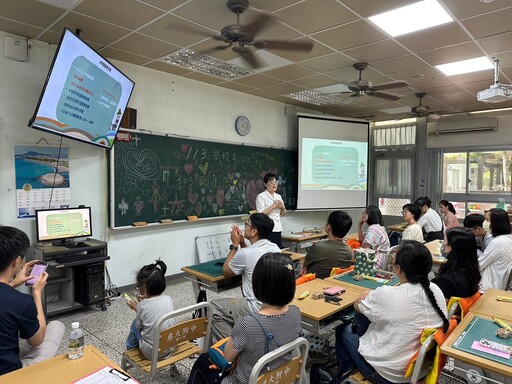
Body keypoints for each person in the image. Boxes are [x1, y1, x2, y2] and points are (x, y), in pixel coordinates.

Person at [335, 241, 449, 384]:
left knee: (343, 330)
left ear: (397, 269)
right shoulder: (436, 290)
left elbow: (357, 306)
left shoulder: (386, 294)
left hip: (388, 376)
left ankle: (345, 372)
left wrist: (366, 297)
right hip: (421, 369)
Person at [188, 252, 303, 384]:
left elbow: (228, 357)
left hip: (245, 381)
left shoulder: (247, 324)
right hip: (280, 377)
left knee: (203, 360)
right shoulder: (295, 313)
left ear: (258, 285)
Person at [0, 226, 65, 375]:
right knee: (56, 326)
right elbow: (37, 341)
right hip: (7, 375)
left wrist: (13, 283)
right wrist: (36, 293)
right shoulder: (21, 302)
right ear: (16, 262)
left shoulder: (12, 298)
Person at [210, 213, 281, 342]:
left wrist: (235, 245)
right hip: (274, 303)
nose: (244, 228)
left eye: (246, 225)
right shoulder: (274, 248)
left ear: (254, 231)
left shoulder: (245, 253)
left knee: (212, 307)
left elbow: (226, 271)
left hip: (255, 305)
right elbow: (251, 257)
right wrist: (243, 243)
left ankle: (235, 346)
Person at [125, 260, 175, 359]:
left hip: (152, 352)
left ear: (143, 287)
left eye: (138, 286)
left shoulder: (142, 305)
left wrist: (136, 307)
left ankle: (130, 350)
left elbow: (139, 325)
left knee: (134, 324)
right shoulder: (168, 299)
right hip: (170, 346)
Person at [432, 227, 481, 299]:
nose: (442, 245)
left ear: (454, 248)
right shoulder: (471, 269)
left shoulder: (447, 280)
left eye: (445, 241)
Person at [303, 210, 353, 278]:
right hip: (335, 285)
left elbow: (305, 267)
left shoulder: (317, 247)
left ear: (328, 227)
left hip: (313, 283)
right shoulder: (349, 250)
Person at [478, 208, 512, 291]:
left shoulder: (497, 243)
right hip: (498, 284)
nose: (484, 223)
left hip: (488, 287)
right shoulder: (508, 239)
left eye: (487, 220)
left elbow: (479, 265)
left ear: (496, 223)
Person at [255, 173, 287, 248]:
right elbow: (260, 214)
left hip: (278, 228)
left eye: (276, 182)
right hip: (267, 229)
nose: (274, 184)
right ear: (265, 184)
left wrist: (282, 208)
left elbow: (283, 213)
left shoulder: (278, 196)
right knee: (269, 251)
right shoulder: (261, 196)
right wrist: (273, 206)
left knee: (277, 249)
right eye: (271, 182)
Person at [358, 205, 390, 270]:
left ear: (372, 215)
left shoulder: (372, 229)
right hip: (382, 260)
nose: (363, 215)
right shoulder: (379, 226)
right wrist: (359, 226)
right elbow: (362, 240)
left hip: (376, 261)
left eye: (366, 213)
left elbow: (365, 250)